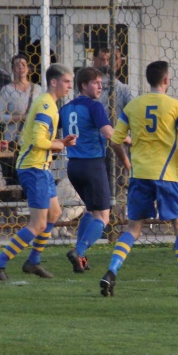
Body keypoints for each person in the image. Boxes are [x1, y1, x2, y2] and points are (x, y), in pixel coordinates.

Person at [99, 61, 178, 298]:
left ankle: (111, 272)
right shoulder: (176, 106)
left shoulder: (133, 105)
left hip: (140, 175)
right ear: (166, 80)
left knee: (133, 229)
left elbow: (116, 140)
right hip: (167, 176)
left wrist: (126, 161)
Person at [0, 64, 77, 282]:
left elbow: (40, 138)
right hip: (33, 169)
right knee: (38, 224)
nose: (69, 86)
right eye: (66, 81)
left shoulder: (48, 104)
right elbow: (38, 141)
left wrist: (60, 142)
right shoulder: (46, 105)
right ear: (53, 82)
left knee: (54, 213)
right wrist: (59, 145)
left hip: (40, 167)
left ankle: (33, 262)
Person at [59, 67, 114, 274]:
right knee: (103, 217)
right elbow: (108, 133)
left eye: (101, 83)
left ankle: (80, 259)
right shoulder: (94, 106)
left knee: (90, 211)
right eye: (96, 83)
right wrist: (129, 139)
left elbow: (53, 130)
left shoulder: (66, 108)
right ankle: (78, 250)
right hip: (92, 165)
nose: (100, 86)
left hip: (73, 166)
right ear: (84, 85)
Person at [0, 54, 41, 146]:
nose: (20, 67)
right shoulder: (7, 90)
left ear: (28, 68)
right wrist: (22, 117)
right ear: (12, 69)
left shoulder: (38, 89)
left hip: (33, 140)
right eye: (17, 65)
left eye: (23, 64)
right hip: (13, 141)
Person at [92, 46, 136, 116]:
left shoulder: (123, 89)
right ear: (94, 59)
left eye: (109, 60)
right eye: (102, 59)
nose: (105, 64)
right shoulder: (87, 88)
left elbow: (134, 111)